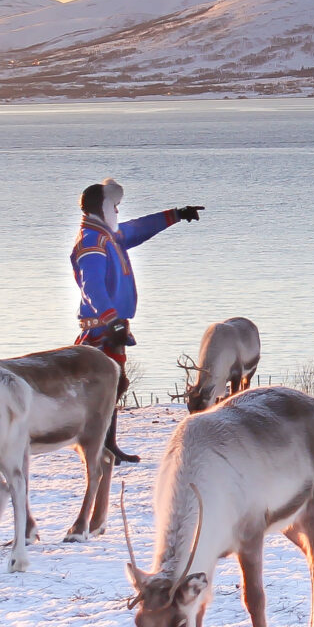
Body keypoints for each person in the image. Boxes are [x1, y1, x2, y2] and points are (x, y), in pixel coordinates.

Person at [72, 177, 204, 463]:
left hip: (112, 327)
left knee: (113, 386)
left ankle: (109, 445)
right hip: (102, 328)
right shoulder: (92, 241)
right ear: (104, 207)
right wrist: (111, 320)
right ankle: (98, 448)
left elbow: (140, 228)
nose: (118, 213)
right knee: (103, 389)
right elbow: (91, 286)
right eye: (115, 207)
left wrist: (176, 215)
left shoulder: (108, 236)